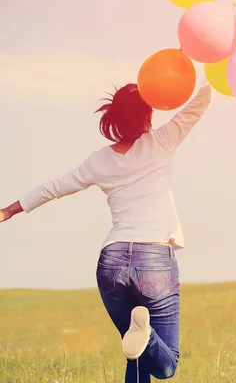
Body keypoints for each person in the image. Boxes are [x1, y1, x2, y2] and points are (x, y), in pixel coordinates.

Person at [0, 79, 213, 382]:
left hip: (111, 262)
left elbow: (55, 187)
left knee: (135, 352)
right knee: (166, 365)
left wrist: (9, 210)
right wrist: (211, 69)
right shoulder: (162, 141)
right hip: (154, 259)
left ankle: (141, 334)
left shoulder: (99, 160)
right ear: (147, 116)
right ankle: (147, 335)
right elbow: (198, 105)